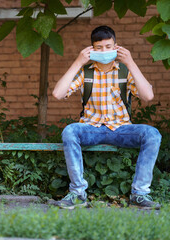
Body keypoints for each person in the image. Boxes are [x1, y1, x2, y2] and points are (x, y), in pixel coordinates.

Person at [52, 25, 161, 210]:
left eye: (109, 46)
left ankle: (140, 194)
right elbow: (57, 94)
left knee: (152, 134)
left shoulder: (124, 72)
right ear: (92, 49)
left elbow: (148, 96)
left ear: (116, 47)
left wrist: (131, 62)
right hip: (90, 128)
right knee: (70, 131)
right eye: (99, 47)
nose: (104, 51)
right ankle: (78, 193)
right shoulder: (86, 73)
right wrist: (78, 62)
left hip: (121, 129)